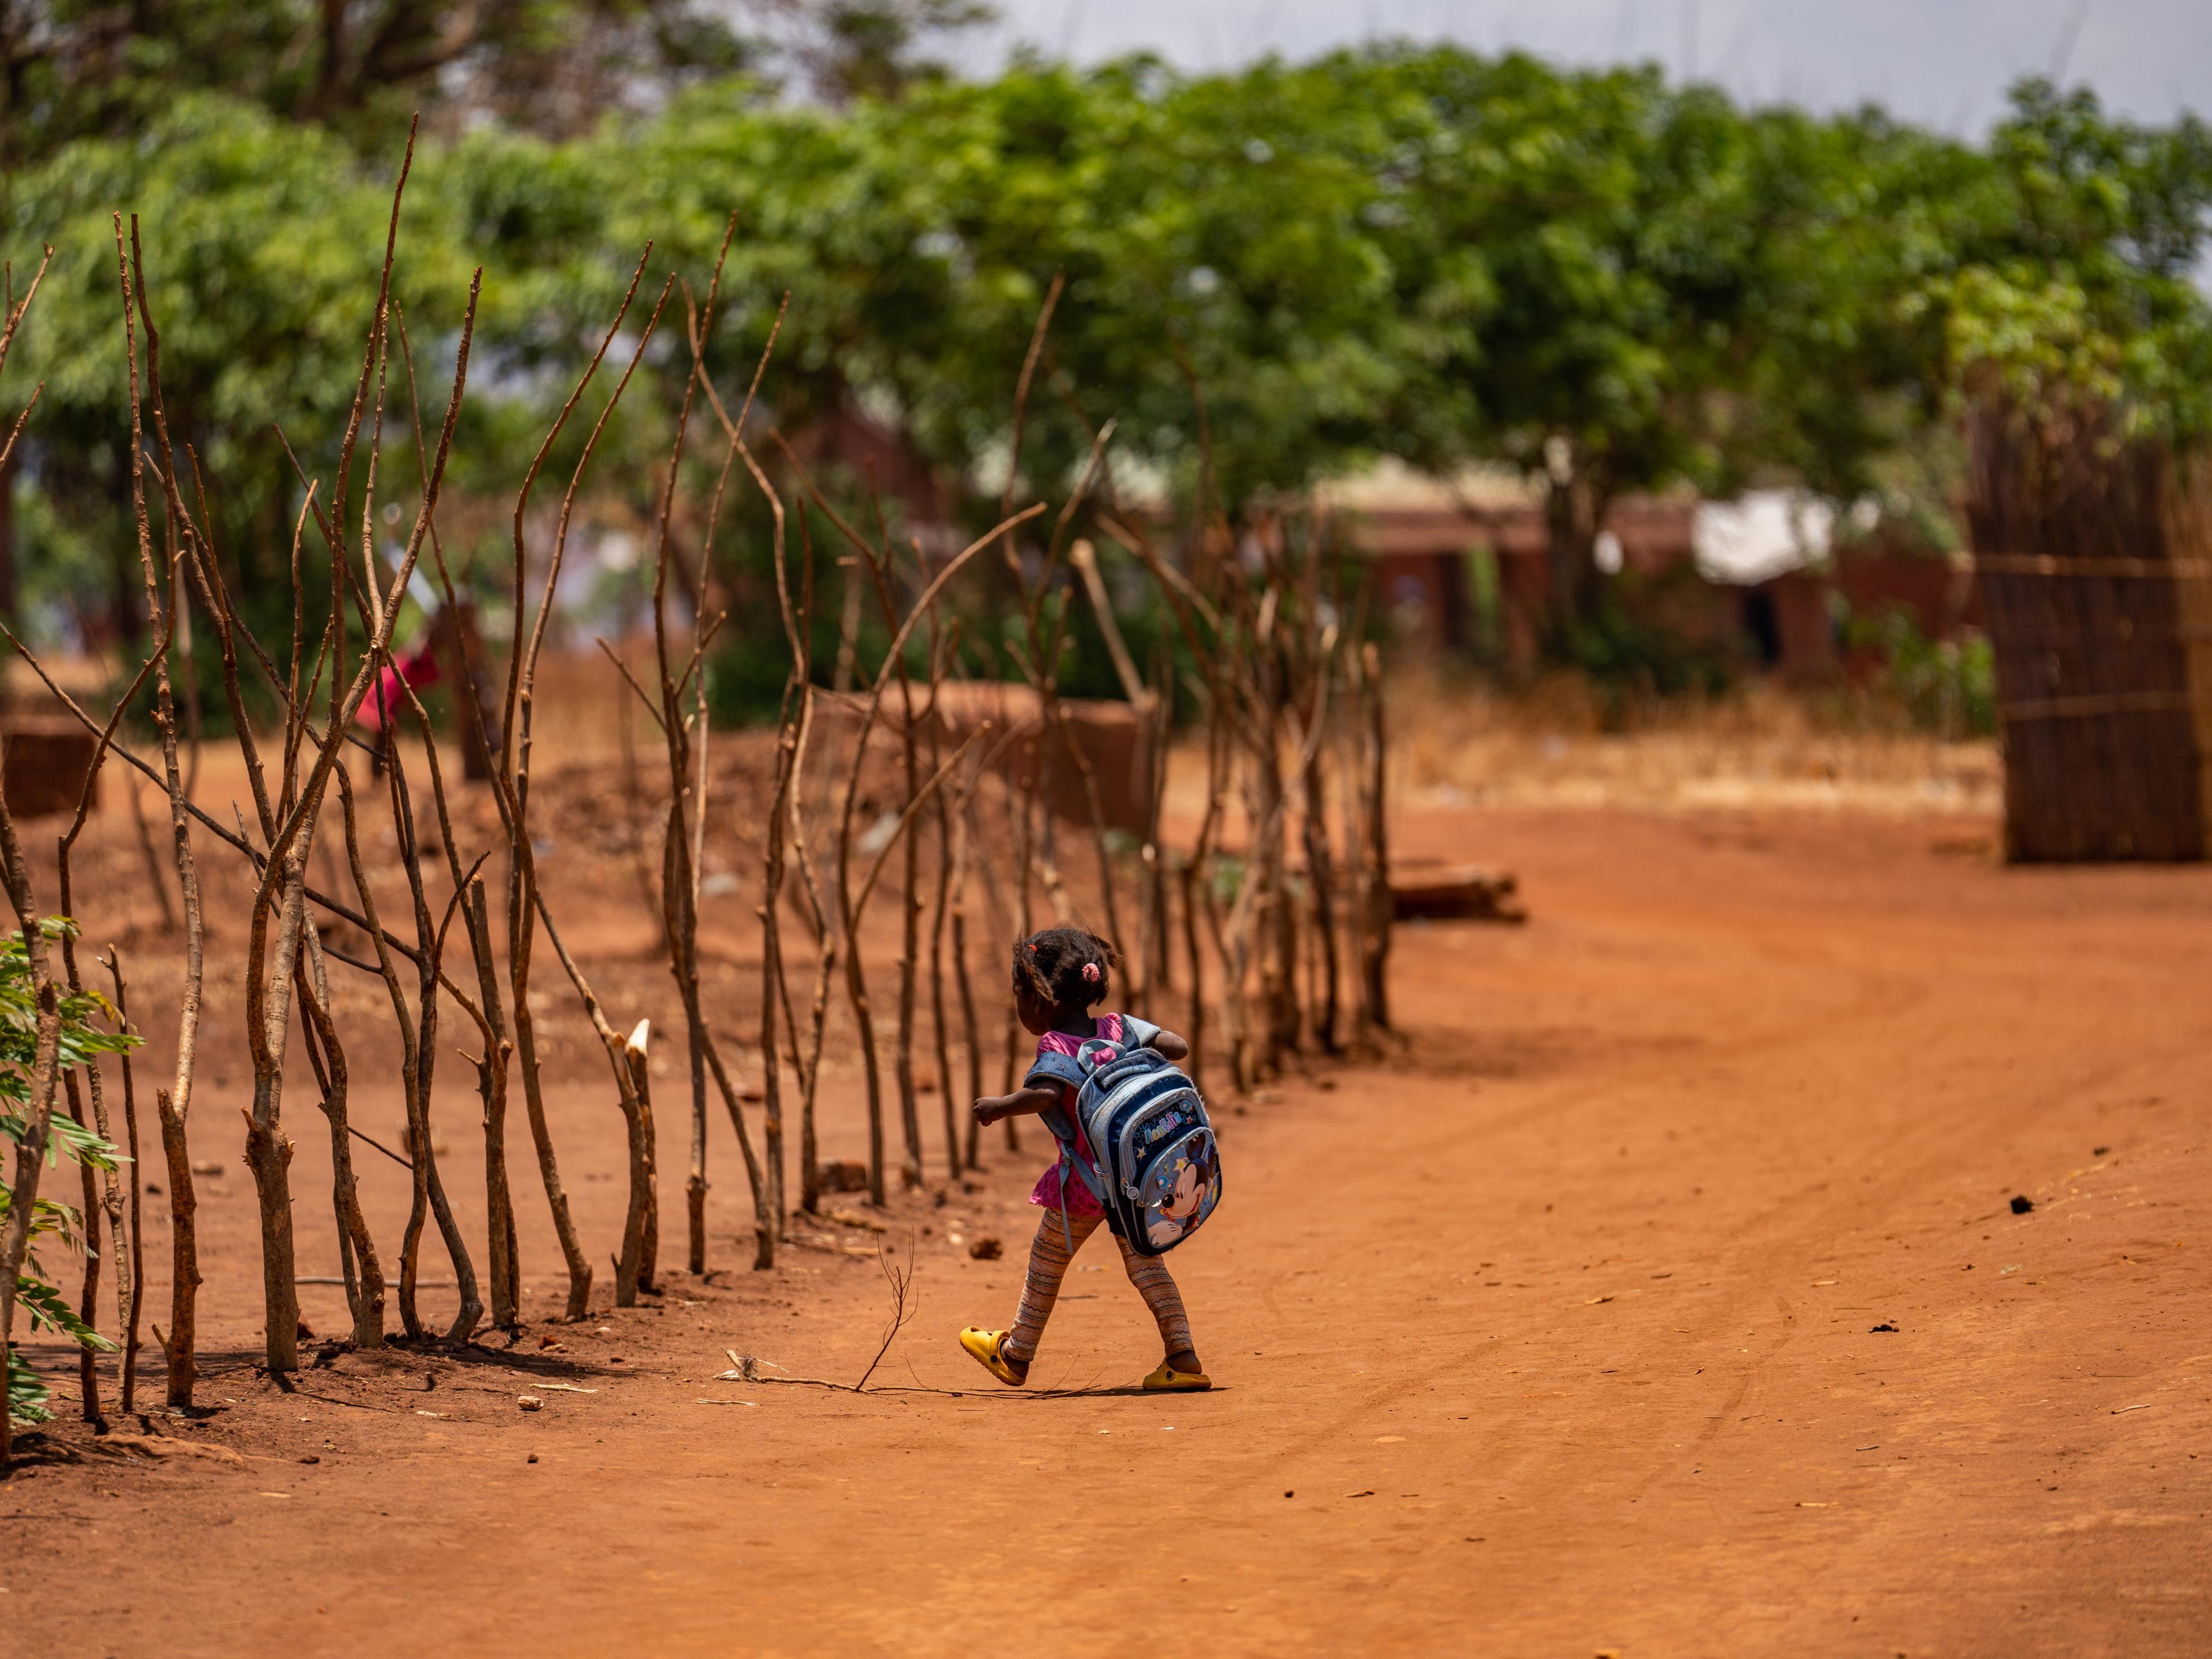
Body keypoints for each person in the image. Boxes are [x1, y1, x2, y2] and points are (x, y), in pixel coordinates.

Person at [957, 926, 1210, 1392]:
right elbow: (1177, 1047)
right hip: (1136, 1183)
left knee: (1046, 1263)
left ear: (1037, 997)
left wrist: (999, 1107)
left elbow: (1045, 1094)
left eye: (1018, 994)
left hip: (1085, 1186)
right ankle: (1183, 1358)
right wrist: (1134, 1052)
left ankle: (1015, 1356)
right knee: (1148, 1267)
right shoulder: (1120, 1027)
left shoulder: (1056, 1045)